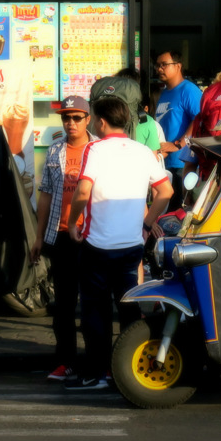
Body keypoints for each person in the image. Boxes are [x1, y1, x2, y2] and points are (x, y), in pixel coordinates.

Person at [66, 96, 173, 390]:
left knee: (94, 311)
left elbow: (83, 192)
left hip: (97, 246)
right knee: (128, 309)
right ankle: (124, 372)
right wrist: (146, 224)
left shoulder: (95, 148)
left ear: (100, 121)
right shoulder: (142, 151)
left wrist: (74, 223)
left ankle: (96, 373)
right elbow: (165, 191)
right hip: (131, 246)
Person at [30, 95, 94, 382]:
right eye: (66, 118)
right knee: (64, 305)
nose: (71, 123)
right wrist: (38, 236)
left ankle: (96, 362)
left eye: (76, 117)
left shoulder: (98, 150)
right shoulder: (55, 150)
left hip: (92, 235)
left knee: (94, 304)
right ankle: (66, 361)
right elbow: (45, 195)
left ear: (88, 119)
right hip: (61, 234)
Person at [153, 50, 202, 210]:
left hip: (182, 164)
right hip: (165, 163)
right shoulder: (165, 92)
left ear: (178, 66)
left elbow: (199, 118)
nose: (159, 69)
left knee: (180, 213)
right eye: (157, 65)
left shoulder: (189, 90)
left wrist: (179, 144)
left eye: (164, 65)